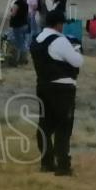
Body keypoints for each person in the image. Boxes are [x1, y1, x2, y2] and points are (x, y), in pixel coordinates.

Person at [31, 10, 84, 177]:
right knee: (63, 127)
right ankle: (63, 165)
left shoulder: (37, 40)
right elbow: (78, 61)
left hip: (43, 86)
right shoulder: (60, 40)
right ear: (58, 24)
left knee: (45, 125)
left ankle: (46, 163)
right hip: (63, 89)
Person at [9, 0, 30, 65]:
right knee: (23, 41)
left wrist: (11, 13)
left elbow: (13, 14)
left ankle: (18, 60)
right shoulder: (25, 3)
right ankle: (24, 58)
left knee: (18, 43)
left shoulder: (17, 3)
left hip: (18, 25)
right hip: (24, 24)